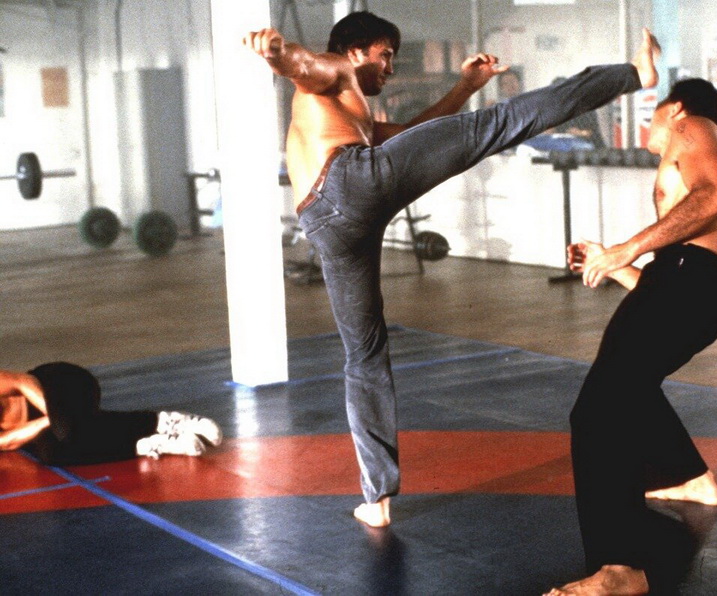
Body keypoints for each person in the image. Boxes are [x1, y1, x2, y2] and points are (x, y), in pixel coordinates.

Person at [243, 11, 660, 528]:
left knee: (364, 355)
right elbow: (302, 65)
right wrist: (276, 53)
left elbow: (417, 136)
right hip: (348, 184)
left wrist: (465, 87)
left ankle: (376, 499)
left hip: (327, 223)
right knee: (497, 124)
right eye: (384, 55)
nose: (390, 68)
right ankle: (632, 74)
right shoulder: (334, 68)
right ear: (354, 52)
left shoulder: (353, 115)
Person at [545, 78, 717, 595]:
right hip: (688, 287)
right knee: (630, 386)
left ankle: (618, 569)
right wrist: (614, 265)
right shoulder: (705, 148)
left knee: (596, 412)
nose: (648, 122)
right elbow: (669, 283)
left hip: (685, 283)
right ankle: (693, 478)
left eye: (654, 109)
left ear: (675, 108)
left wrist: (626, 249)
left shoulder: (692, 125)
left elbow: (712, 199)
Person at [0, 363, 222, 465]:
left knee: (67, 430)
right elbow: (8, 442)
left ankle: (165, 421)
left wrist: (57, 416)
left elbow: (23, 382)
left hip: (58, 382)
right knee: (53, 453)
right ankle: (147, 445)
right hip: (56, 422)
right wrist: (54, 420)